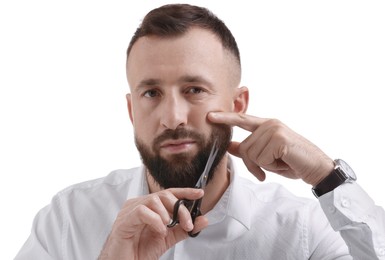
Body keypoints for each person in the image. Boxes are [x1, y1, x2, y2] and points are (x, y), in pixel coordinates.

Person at [15, 3, 385, 260]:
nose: (172, 117)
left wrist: (328, 177)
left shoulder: (303, 229)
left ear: (238, 105)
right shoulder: (68, 219)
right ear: (131, 110)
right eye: (151, 93)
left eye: (194, 90)